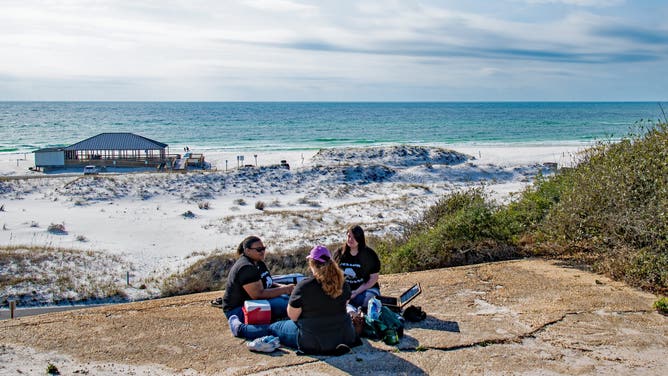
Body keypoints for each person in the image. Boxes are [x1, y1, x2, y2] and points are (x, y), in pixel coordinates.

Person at [228, 245, 358, 354]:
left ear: (311, 263)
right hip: (345, 335)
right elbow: (344, 305)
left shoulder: (305, 286)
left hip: (312, 339)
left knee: (273, 328)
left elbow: (293, 316)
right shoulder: (343, 283)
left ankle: (240, 329)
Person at [222, 235, 294, 339]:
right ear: (247, 251)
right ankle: (241, 328)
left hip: (255, 303)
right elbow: (258, 294)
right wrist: (287, 289)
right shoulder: (246, 268)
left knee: (291, 300)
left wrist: (285, 288)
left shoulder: (258, 262)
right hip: (238, 309)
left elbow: (267, 283)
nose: (262, 252)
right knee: (289, 305)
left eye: (263, 248)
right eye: (258, 249)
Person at [333, 225, 381, 310]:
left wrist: (356, 292)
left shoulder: (369, 255)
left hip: (365, 289)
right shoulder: (339, 253)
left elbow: (374, 278)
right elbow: (333, 275)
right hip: (345, 290)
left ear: (360, 238)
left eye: (354, 237)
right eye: (349, 236)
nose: (350, 240)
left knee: (369, 300)